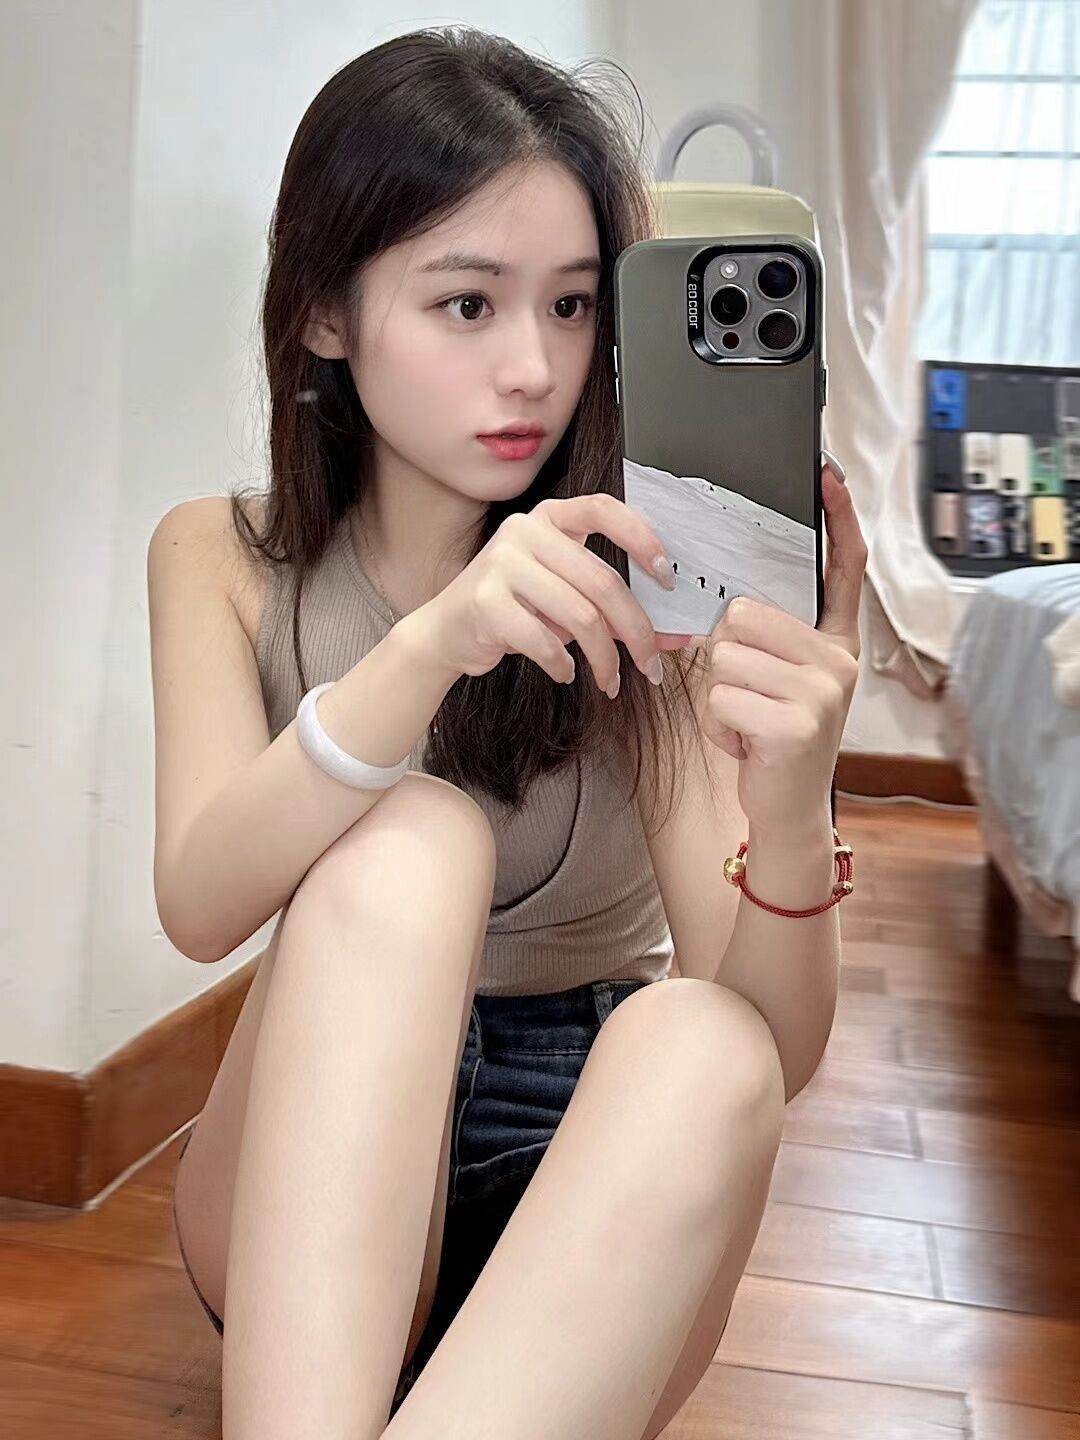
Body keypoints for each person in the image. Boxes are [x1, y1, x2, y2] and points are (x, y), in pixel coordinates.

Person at [147, 25, 867, 1440]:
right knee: (411, 837)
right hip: (308, 1153)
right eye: (467, 304)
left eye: (574, 305)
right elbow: (200, 904)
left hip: (590, 1179)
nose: (534, 368)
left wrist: (796, 805)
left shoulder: (653, 586)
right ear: (325, 311)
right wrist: (432, 644)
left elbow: (775, 1049)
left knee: (707, 1042)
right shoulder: (218, 557)